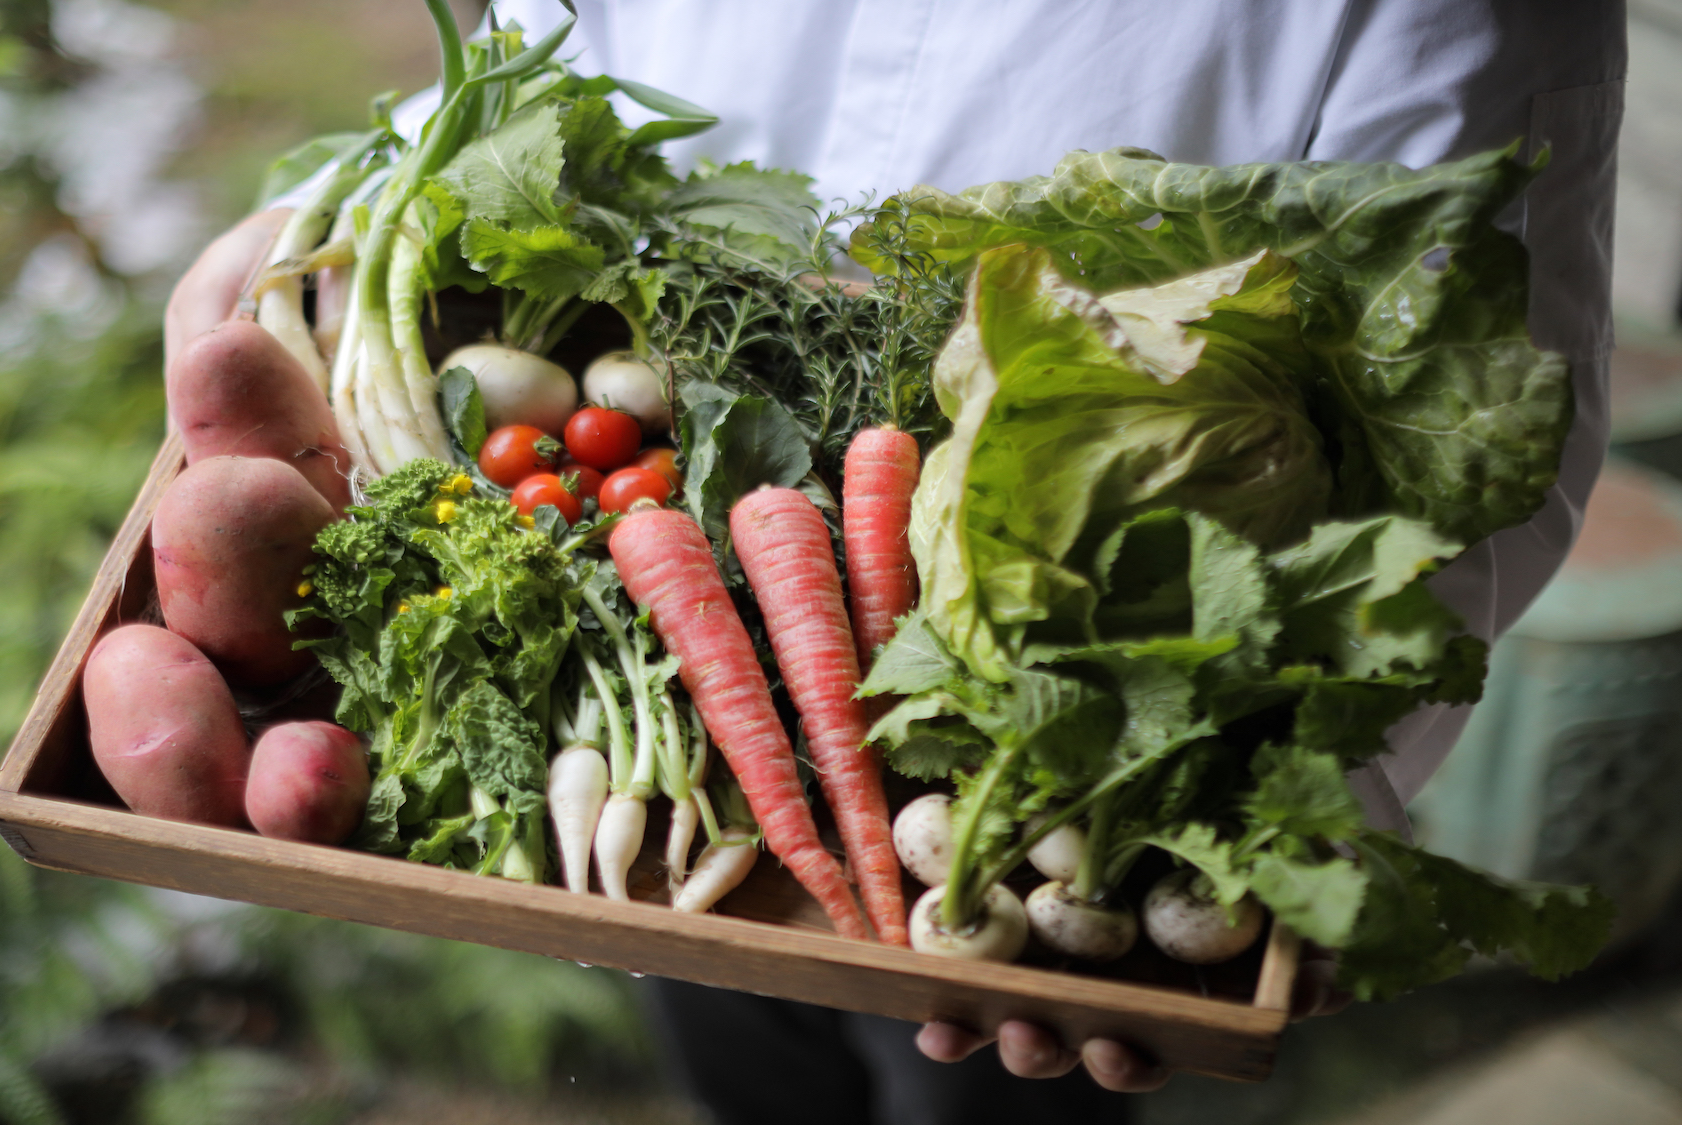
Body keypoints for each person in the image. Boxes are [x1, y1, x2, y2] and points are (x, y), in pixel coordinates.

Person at [165, 2, 1625, 1118]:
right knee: (734, 1037)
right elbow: (556, 56)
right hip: (683, 618)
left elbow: (1480, 399)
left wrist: (1237, 826)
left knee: (984, 1092)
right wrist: (338, 203)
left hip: (1055, 722)